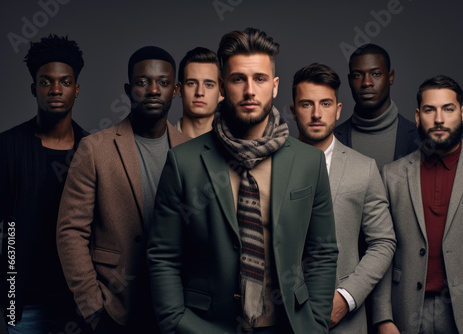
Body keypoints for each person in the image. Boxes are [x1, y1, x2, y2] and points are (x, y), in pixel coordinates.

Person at [147, 28, 338, 334]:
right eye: (239, 79)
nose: (250, 91)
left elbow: (323, 251)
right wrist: (175, 321)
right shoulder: (184, 161)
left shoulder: (308, 162)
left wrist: (314, 323)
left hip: (288, 326)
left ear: (274, 87)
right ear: (222, 86)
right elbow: (163, 255)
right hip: (207, 327)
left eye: (260, 79)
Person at [56, 46, 190, 333]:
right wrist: (92, 306)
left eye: (163, 82)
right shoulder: (94, 149)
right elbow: (70, 231)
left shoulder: (190, 151)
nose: (153, 90)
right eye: (143, 82)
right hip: (115, 306)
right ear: (129, 89)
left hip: (176, 306)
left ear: (176, 89)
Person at [373, 75, 463, 333]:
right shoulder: (392, 175)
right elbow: (381, 250)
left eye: (448, 109)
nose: (439, 119)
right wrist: (383, 317)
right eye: (430, 110)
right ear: (418, 117)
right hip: (407, 312)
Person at [290, 63, 396, 333]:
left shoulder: (364, 168)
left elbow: (383, 242)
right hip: (281, 316)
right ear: (292, 111)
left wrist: (347, 297)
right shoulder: (271, 165)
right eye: (306, 104)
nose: (316, 114)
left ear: (338, 110)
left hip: (343, 320)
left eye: (325, 104)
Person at [0, 34, 90, 333]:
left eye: (65, 82)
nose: (55, 89)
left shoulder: (94, 150)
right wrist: (8, 288)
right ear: (33, 88)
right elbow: (7, 228)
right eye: (46, 81)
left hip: (78, 301)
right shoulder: (8, 146)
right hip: (24, 300)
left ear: (76, 89)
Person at [334, 43, 419, 170]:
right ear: (350, 81)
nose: (367, 82)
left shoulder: (419, 138)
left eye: (376, 74)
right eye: (358, 75)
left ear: (391, 77)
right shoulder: (334, 139)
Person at [174, 47, 223, 138]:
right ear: (180, 90)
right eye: (191, 83)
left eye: (209, 85)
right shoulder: (163, 144)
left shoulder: (235, 148)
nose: (199, 92)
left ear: (221, 92)